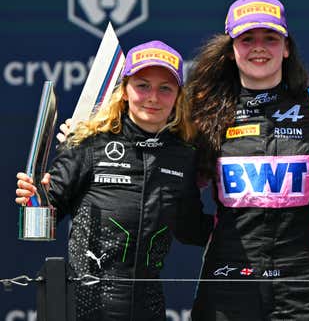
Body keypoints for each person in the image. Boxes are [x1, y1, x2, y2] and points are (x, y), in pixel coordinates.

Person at [186, 0, 309, 320]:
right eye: (247, 39)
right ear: (232, 51)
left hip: (300, 286)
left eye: (271, 38)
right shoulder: (208, 112)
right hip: (227, 282)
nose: (259, 47)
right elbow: (171, 180)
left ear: (287, 47)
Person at [15, 40, 211, 321]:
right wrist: (35, 196)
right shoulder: (89, 143)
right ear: (125, 91)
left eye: (165, 88)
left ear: (178, 97)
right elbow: (46, 213)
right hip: (86, 304)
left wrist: (241, 227)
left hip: (149, 306)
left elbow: (189, 227)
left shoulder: (183, 155)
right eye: (142, 85)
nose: (153, 97)